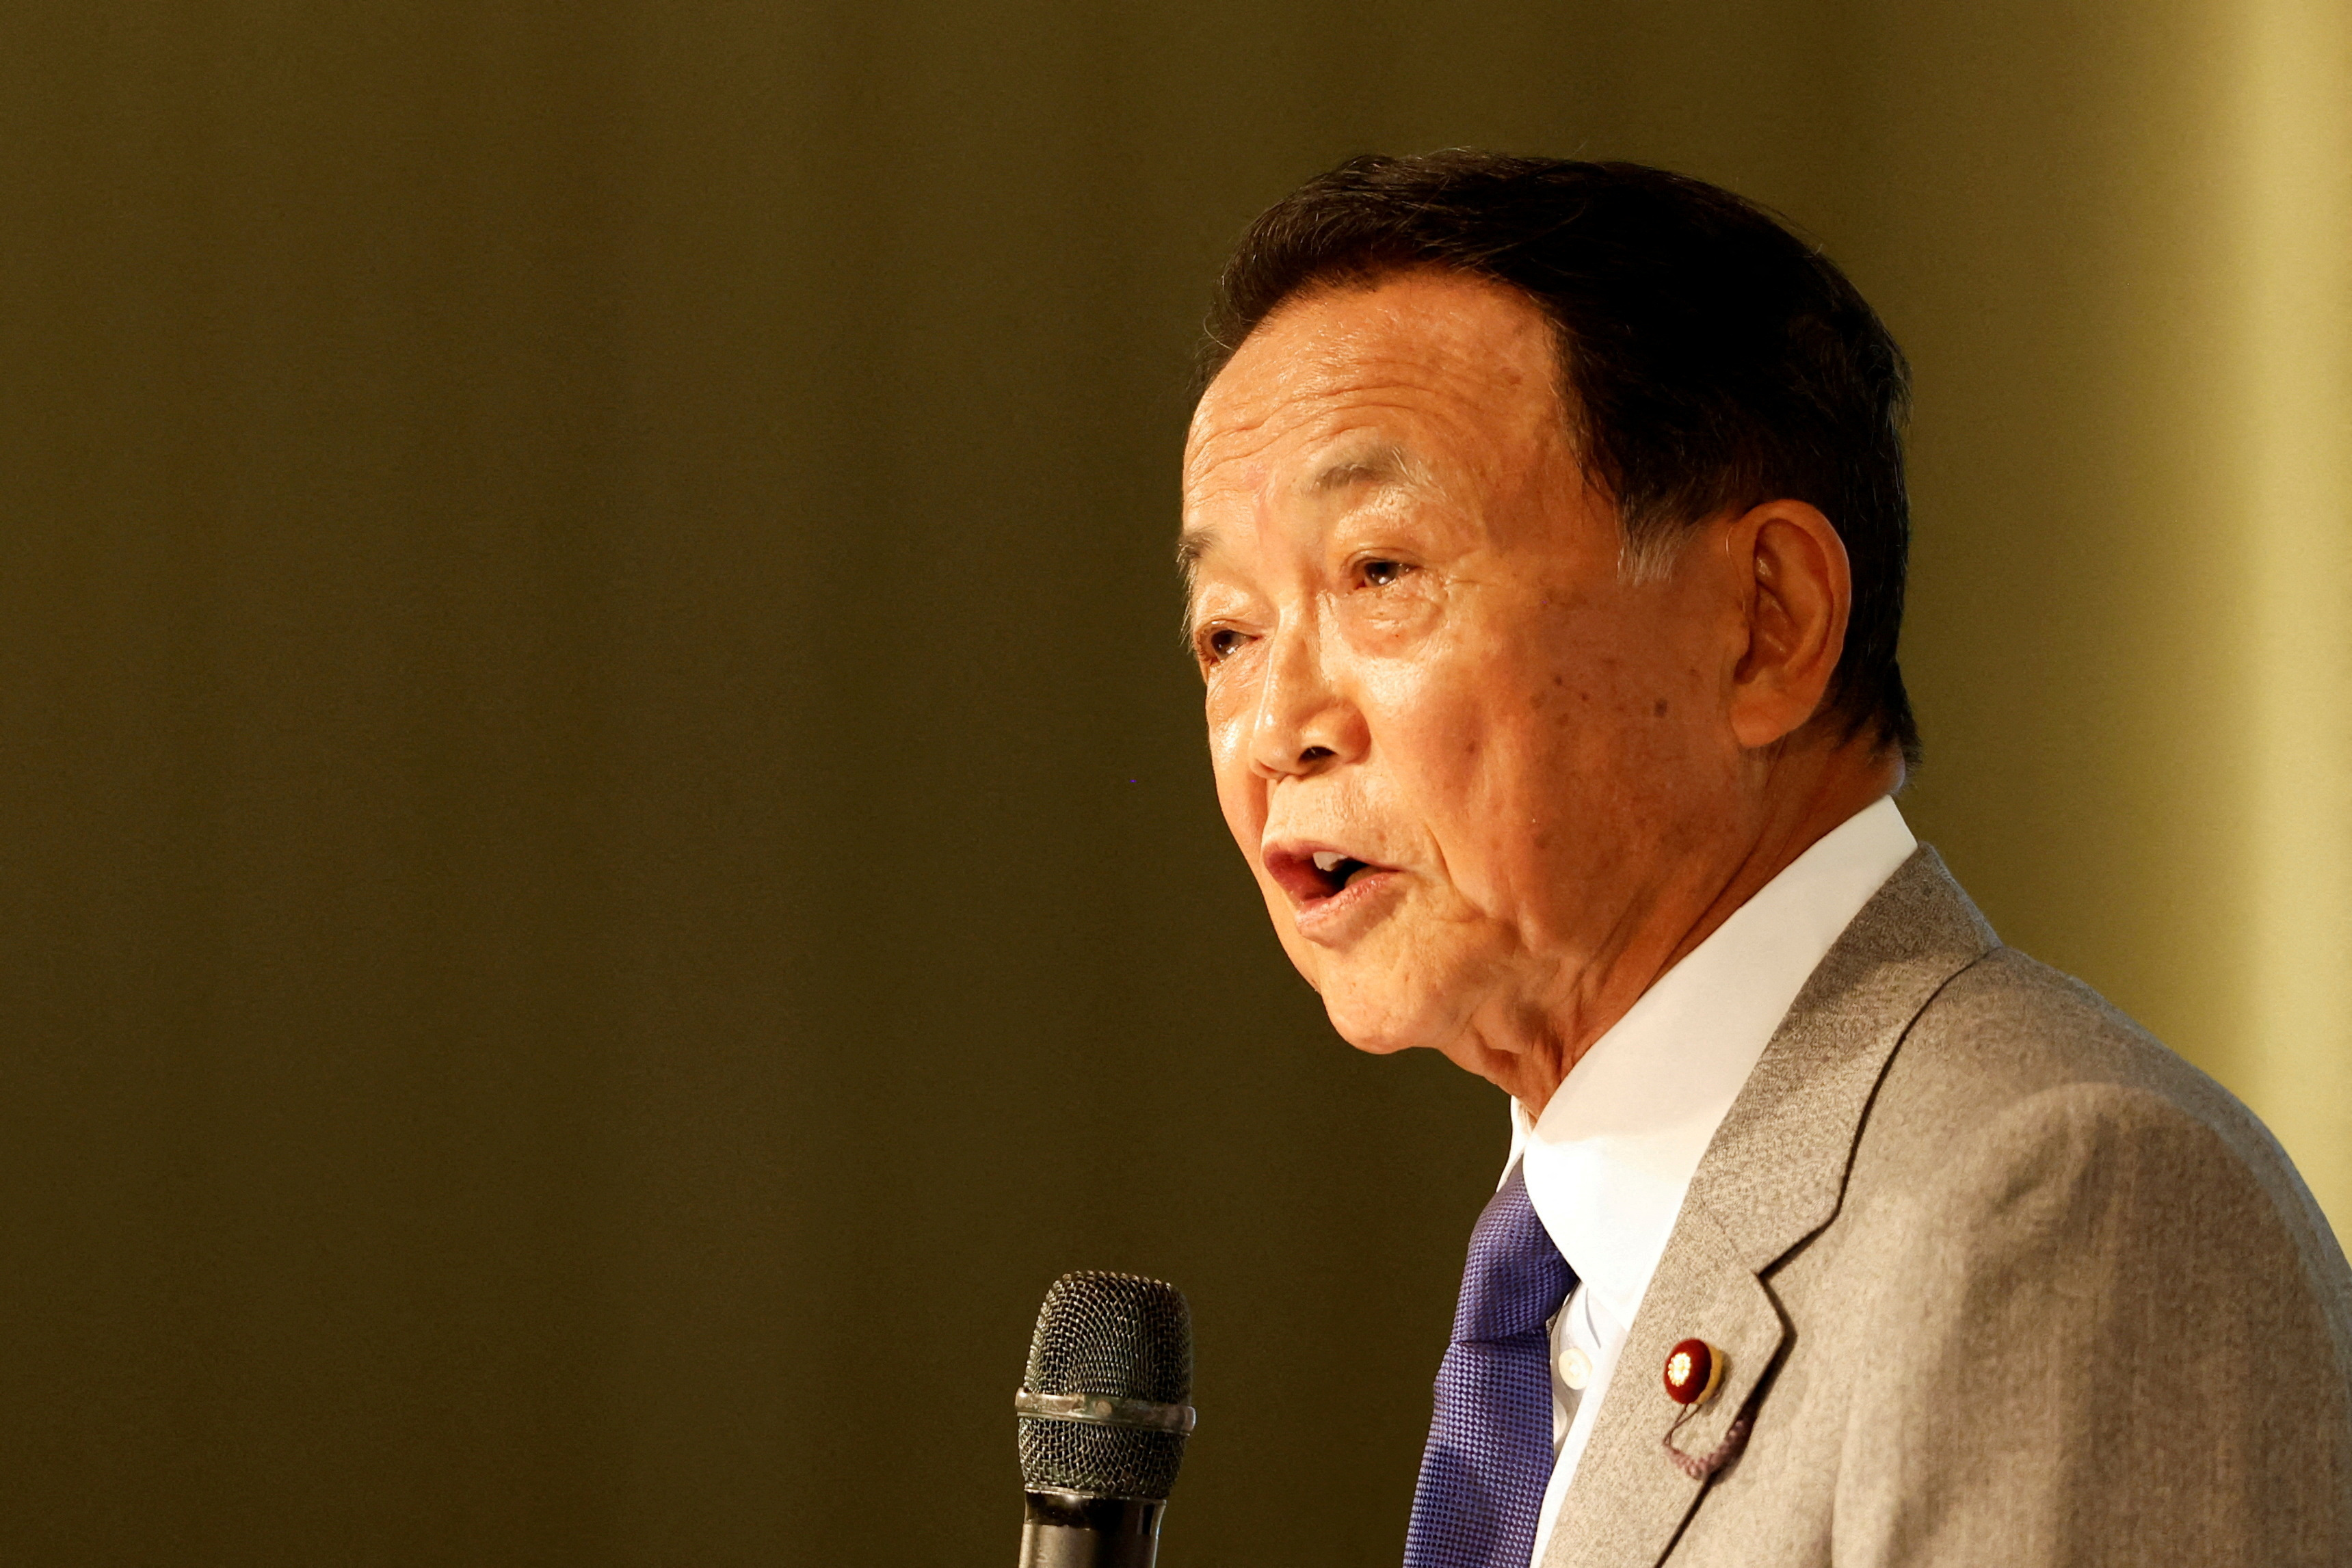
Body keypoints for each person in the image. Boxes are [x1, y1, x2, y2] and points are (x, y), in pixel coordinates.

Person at [1176, 152, 2352, 1568]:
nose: (1274, 729)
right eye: (1227, 634)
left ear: (1766, 623)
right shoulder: (1572, 1267)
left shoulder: (2059, 1206)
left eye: (1378, 572)